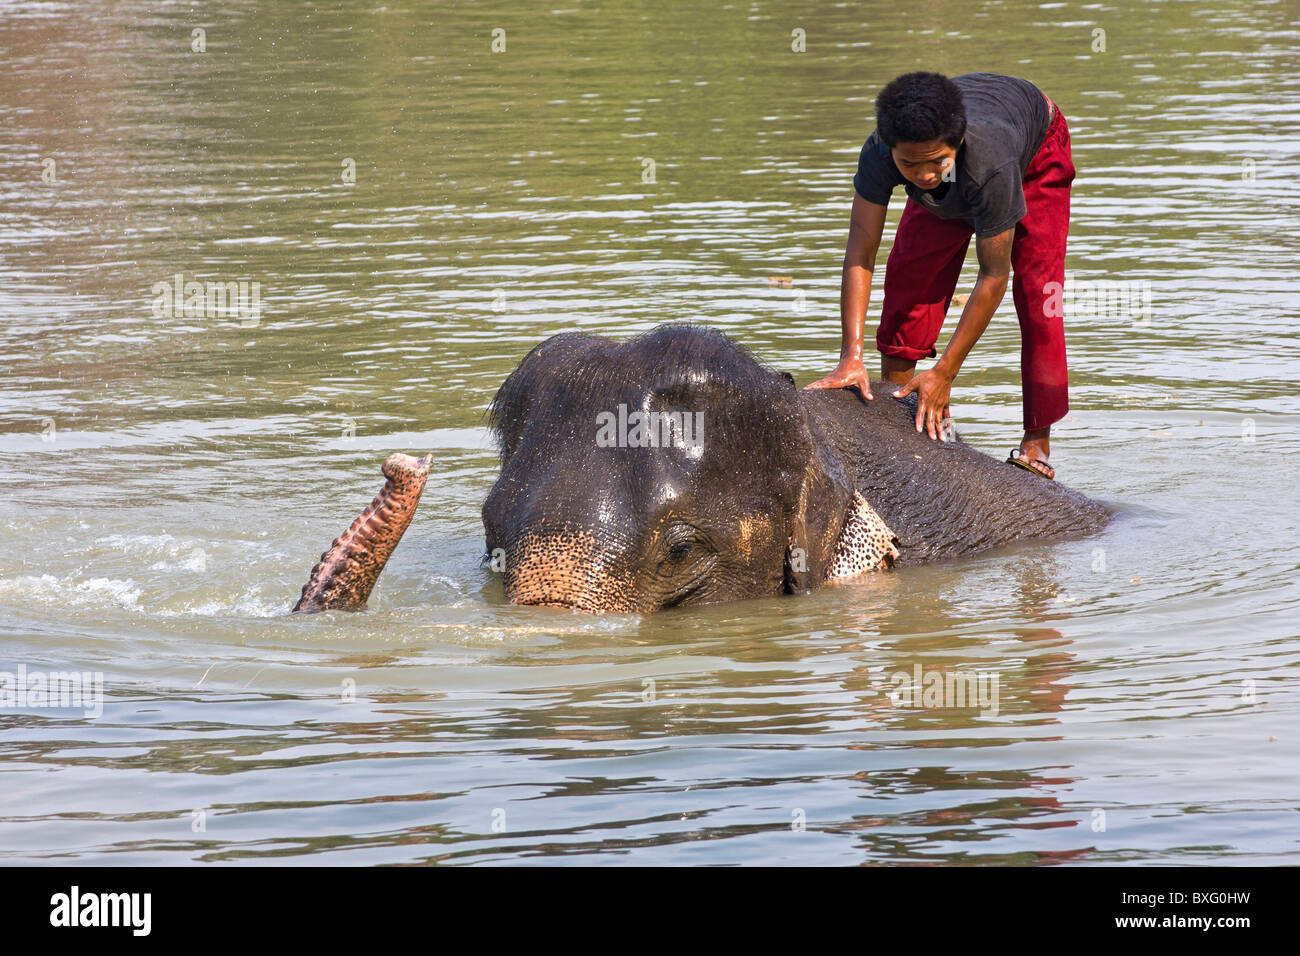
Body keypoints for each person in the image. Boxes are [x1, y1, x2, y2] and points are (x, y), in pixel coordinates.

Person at [805, 71, 1075, 479]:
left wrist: (946, 370)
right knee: (910, 281)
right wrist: (850, 356)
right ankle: (900, 413)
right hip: (966, 162)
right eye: (909, 164)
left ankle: (1036, 441)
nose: (925, 176)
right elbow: (860, 252)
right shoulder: (881, 152)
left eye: (936, 162)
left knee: (1040, 297)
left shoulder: (991, 165)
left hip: (1034, 151)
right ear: (890, 151)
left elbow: (993, 275)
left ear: (957, 142)